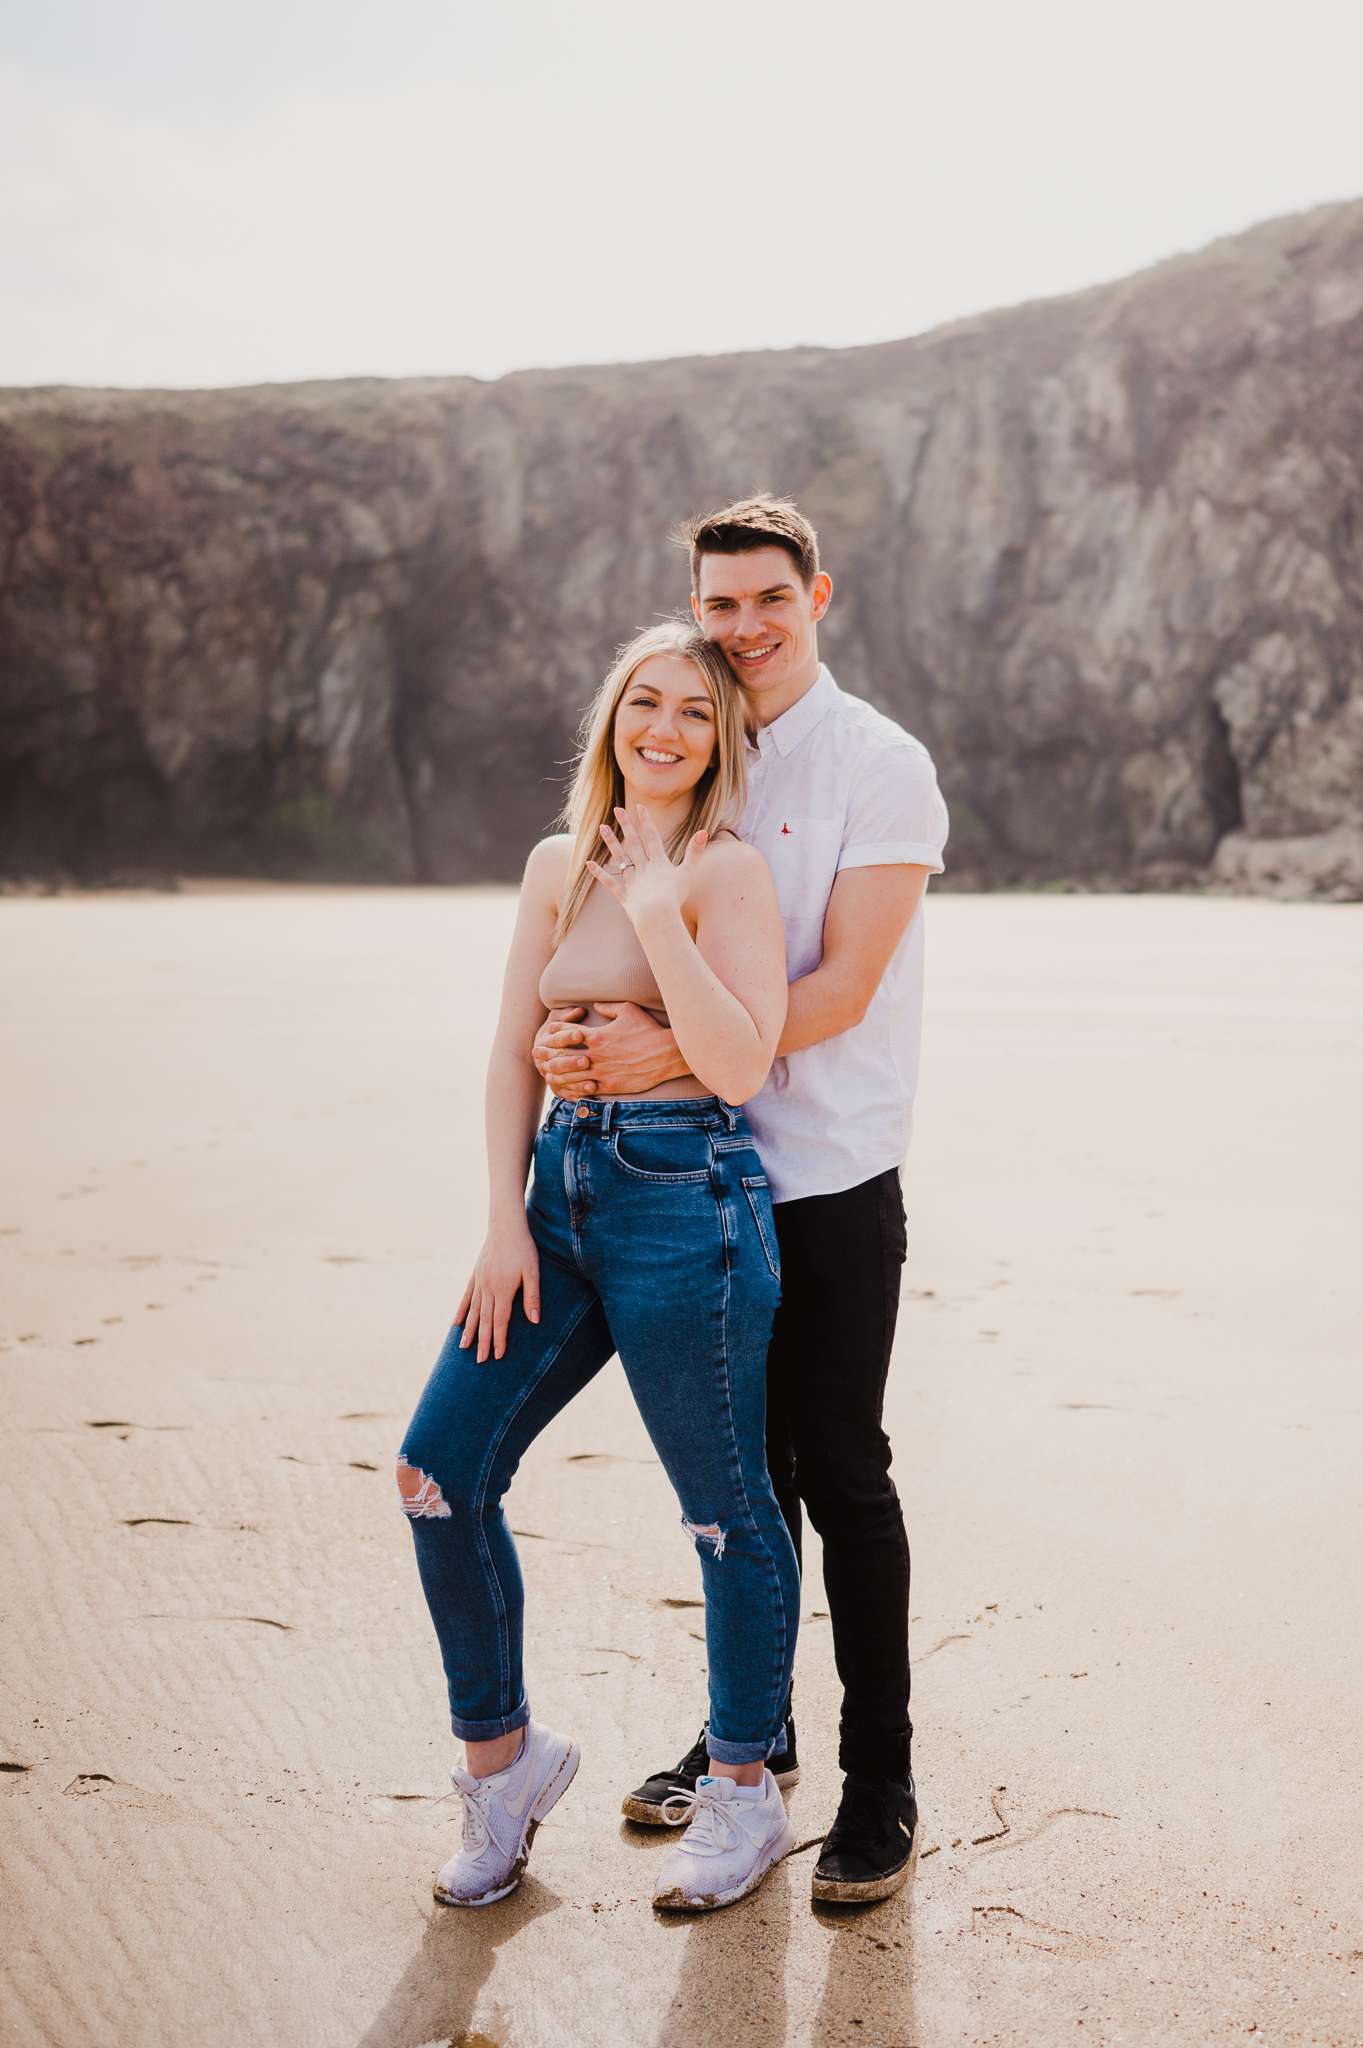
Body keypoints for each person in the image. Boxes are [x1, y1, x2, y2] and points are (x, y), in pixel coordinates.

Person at [534, 496, 949, 1906]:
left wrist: (677, 1048)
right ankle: (744, 1756)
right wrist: (583, 1048)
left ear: (817, 597)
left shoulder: (880, 765)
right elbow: (617, 934)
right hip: (689, 1177)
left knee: (839, 1471)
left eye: (769, 599)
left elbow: (842, 984)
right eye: (719, 604)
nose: (743, 627)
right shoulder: (684, 745)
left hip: (823, 1176)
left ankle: (880, 1782)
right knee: (735, 1484)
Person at [397, 618, 802, 1914]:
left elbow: (743, 1064)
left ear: (722, 738)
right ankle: (504, 1768)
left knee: (724, 1511)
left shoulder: (729, 871)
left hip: (693, 1201)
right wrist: (503, 1219)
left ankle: (742, 1792)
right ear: (612, 718)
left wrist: (653, 909)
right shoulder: (552, 861)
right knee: (436, 1473)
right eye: (647, 703)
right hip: (556, 1200)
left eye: (696, 710)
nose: (668, 728)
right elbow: (512, 1046)